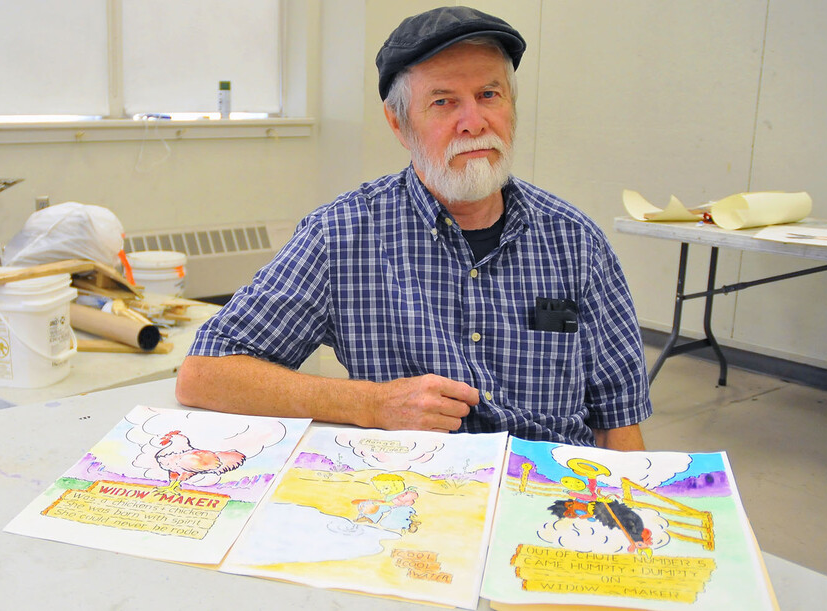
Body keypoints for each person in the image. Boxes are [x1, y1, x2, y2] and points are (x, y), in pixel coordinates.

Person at [177, 6, 651, 450]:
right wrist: (370, 404)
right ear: (399, 124)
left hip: (546, 492)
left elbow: (618, 421)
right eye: (444, 102)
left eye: (489, 95)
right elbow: (204, 374)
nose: (474, 122)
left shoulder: (575, 241)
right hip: (410, 490)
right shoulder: (343, 235)